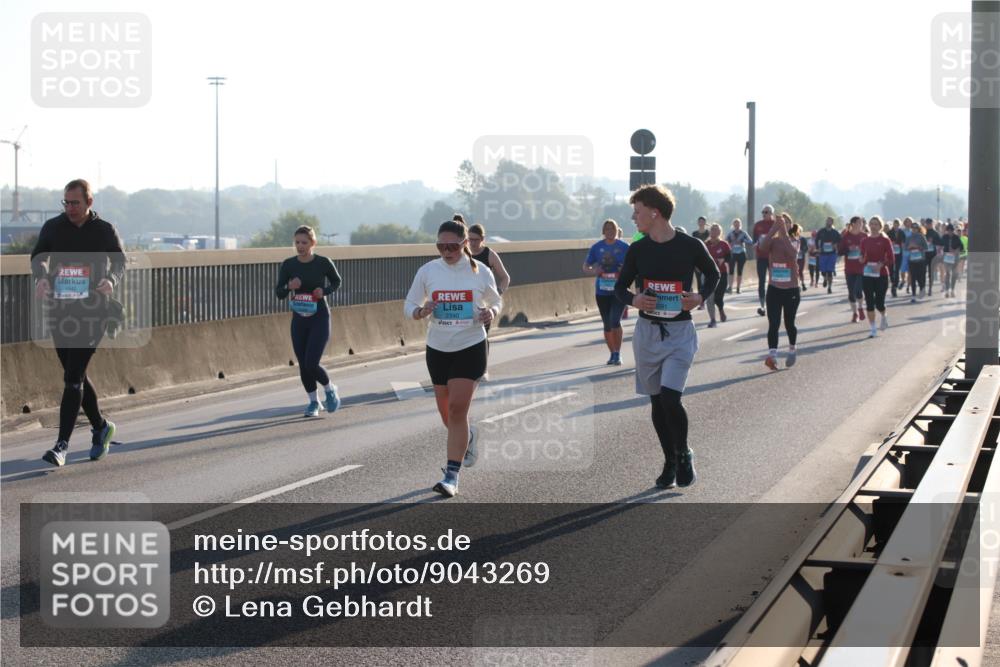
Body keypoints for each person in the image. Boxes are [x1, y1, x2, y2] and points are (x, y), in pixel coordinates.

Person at [614, 185, 719, 490]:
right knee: (658, 403)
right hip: (647, 333)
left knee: (672, 398)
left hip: (679, 333)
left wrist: (699, 297)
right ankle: (669, 461)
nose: (634, 217)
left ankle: (683, 453)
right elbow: (621, 287)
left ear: (654, 212)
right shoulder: (638, 249)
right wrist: (634, 300)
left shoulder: (690, 246)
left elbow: (713, 275)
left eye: (637, 211)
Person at [31, 179, 125, 467]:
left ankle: (61, 445)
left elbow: (119, 261)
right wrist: (42, 277)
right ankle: (101, 427)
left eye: (76, 203)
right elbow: (38, 257)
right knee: (77, 375)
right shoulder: (53, 227)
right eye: (66, 202)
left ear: (89, 203)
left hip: (93, 312)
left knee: (72, 378)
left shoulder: (104, 230)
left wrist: (111, 279)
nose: (70, 208)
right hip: (61, 311)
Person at [405, 220, 502, 498]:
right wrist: (421, 312)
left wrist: (491, 312)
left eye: (451, 246)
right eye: (441, 246)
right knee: (448, 415)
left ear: (464, 245)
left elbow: (495, 300)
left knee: (458, 410)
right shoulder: (428, 271)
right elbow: (409, 304)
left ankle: (451, 476)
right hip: (437, 347)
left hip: (470, 344)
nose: (446, 251)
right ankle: (469, 437)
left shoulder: (480, 271)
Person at [275, 226, 343, 417]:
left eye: (304, 242)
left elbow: (337, 281)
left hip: (319, 317)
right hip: (299, 319)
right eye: (297, 242)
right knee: (303, 364)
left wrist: (325, 291)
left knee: (312, 362)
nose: (300, 246)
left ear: (313, 243)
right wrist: (289, 286)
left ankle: (330, 389)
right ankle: (313, 403)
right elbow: (279, 292)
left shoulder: (323, 263)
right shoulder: (288, 265)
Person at [758, 212, 802, 370]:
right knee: (773, 323)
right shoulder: (774, 241)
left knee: (789, 323)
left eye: (787, 222)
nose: (785, 224)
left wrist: (783, 231)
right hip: (774, 288)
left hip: (791, 290)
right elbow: (762, 247)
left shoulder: (795, 240)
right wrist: (773, 229)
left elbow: (792, 253)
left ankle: (792, 348)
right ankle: (773, 356)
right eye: (783, 222)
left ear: (791, 225)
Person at [583, 219, 630, 364]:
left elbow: (633, 266)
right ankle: (613, 353)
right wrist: (595, 270)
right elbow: (585, 267)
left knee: (615, 320)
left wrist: (625, 270)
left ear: (617, 230)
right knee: (607, 324)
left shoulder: (624, 247)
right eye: (607, 229)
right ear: (603, 232)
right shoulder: (597, 248)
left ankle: (618, 352)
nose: (610, 231)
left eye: (613, 228)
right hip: (602, 291)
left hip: (619, 290)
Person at [860, 216, 894, 337]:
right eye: (871, 224)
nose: (873, 226)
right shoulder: (865, 241)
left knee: (879, 303)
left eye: (876, 224)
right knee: (869, 302)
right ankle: (873, 328)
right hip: (868, 274)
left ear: (880, 226)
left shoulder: (885, 240)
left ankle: (884, 316)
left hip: (881, 274)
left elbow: (891, 258)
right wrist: (862, 259)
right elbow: (862, 257)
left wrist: (881, 264)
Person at [839, 216, 868, 323]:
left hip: (861, 268)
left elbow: (869, 251)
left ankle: (860, 308)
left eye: (862, 223)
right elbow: (840, 251)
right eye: (860, 222)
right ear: (853, 223)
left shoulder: (864, 236)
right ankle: (855, 313)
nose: (862, 224)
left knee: (858, 291)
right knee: (851, 293)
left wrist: (863, 254)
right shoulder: (846, 236)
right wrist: (848, 249)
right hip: (850, 269)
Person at [704, 223, 731, 327]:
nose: (714, 232)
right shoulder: (706, 244)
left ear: (720, 232)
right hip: (709, 274)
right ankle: (713, 320)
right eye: (712, 230)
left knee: (718, 297)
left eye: (716, 230)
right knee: (709, 297)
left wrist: (723, 259)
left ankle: (721, 310)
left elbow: (729, 257)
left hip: (722, 273)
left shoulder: (724, 244)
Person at [752, 206, 776, 316]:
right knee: (761, 281)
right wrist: (756, 246)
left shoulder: (776, 224)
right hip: (761, 257)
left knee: (774, 281)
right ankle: (762, 305)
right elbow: (754, 240)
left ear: (771, 213)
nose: (764, 214)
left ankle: (774, 303)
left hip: (774, 258)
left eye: (766, 212)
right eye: (763, 212)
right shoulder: (758, 225)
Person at [815, 216, 841, 294]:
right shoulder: (821, 231)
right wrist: (818, 248)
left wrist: (836, 245)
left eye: (829, 221)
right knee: (823, 271)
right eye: (827, 221)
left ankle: (829, 287)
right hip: (823, 253)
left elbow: (840, 240)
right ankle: (825, 278)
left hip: (832, 254)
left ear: (832, 222)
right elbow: (816, 240)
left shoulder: (835, 232)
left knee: (830, 271)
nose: (828, 222)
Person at [725, 219, 752, 294]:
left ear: (740, 225)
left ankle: (738, 288)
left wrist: (743, 241)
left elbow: (751, 241)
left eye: (738, 224)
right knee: (731, 271)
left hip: (741, 253)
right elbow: (725, 241)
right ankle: (730, 287)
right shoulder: (730, 233)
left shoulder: (743, 233)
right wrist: (730, 244)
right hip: (733, 253)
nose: (737, 226)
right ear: (733, 225)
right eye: (735, 224)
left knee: (739, 271)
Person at [906, 223, 930, 302]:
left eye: (916, 228)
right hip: (912, 260)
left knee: (920, 277)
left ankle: (922, 289)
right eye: (912, 228)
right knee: (913, 278)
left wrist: (918, 247)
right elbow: (905, 248)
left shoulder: (921, 237)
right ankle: (913, 295)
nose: (914, 229)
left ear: (918, 229)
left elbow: (926, 247)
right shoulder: (909, 237)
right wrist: (909, 247)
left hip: (921, 260)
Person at [940, 223, 963, 298]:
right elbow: (940, 245)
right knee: (947, 273)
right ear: (947, 231)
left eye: (951, 230)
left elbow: (961, 247)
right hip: (947, 257)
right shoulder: (944, 237)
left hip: (955, 257)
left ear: (953, 231)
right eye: (948, 230)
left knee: (954, 274)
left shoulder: (956, 237)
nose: (950, 232)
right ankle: (947, 291)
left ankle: (952, 290)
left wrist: (955, 250)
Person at [923, 219, 942, 296]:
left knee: (931, 273)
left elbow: (940, 243)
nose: (928, 225)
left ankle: (930, 288)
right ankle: (923, 288)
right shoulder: (923, 232)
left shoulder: (935, 233)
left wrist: (933, 242)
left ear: (932, 224)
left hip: (933, 255)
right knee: (923, 272)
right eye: (927, 224)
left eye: (930, 224)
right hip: (924, 255)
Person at [887, 219, 905, 297]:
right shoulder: (889, 232)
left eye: (897, 224)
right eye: (895, 224)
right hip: (891, 254)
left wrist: (901, 245)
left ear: (899, 224)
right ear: (893, 224)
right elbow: (886, 241)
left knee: (897, 270)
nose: (896, 225)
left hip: (899, 254)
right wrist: (891, 243)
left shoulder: (901, 232)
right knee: (891, 270)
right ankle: (893, 282)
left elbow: (904, 242)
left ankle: (894, 287)